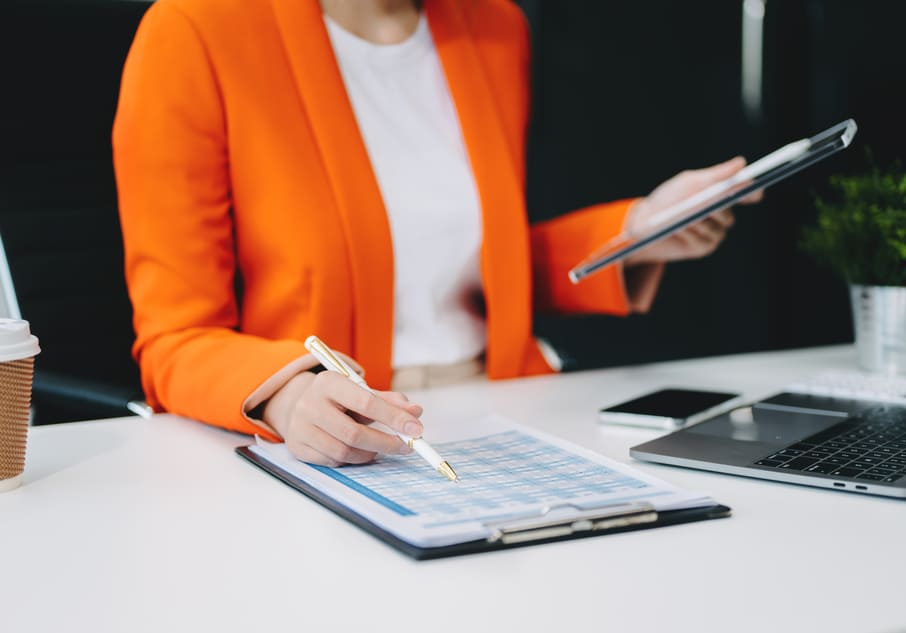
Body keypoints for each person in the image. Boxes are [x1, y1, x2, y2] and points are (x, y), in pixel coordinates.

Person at [113, 0, 760, 467]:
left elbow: (472, 265)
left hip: (508, 409)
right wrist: (287, 395)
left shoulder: (493, 25)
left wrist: (636, 230)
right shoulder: (195, 31)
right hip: (336, 438)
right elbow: (175, 338)